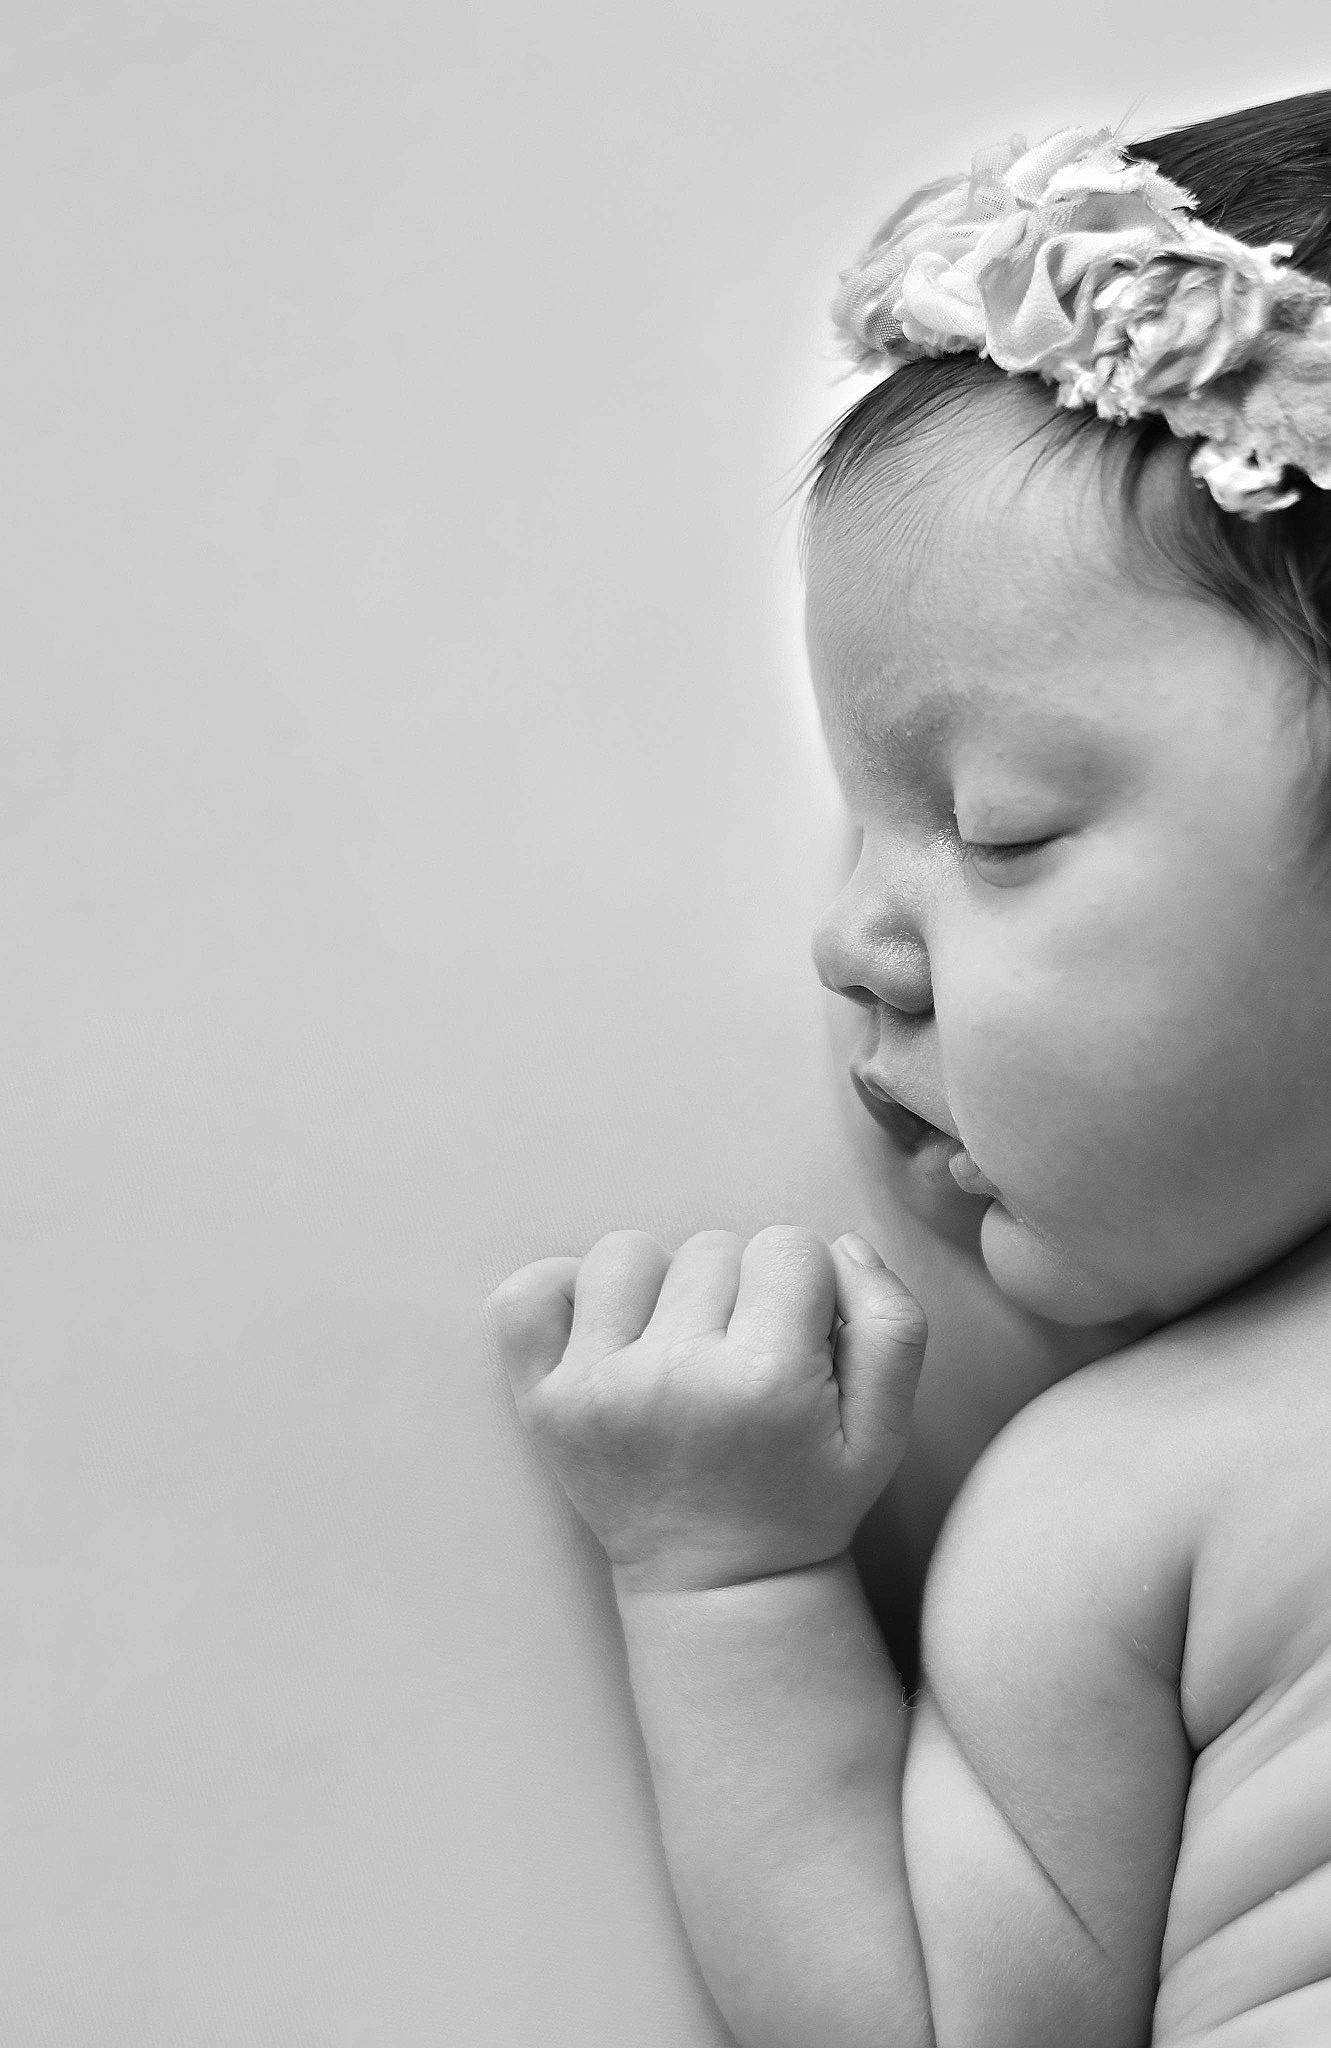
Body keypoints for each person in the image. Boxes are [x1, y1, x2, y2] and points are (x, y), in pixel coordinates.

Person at [486, 94, 1331, 2048]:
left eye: (999, 825)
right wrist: (728, 1569)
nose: (852, 939)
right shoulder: (1141, 1494)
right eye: (863, 825)